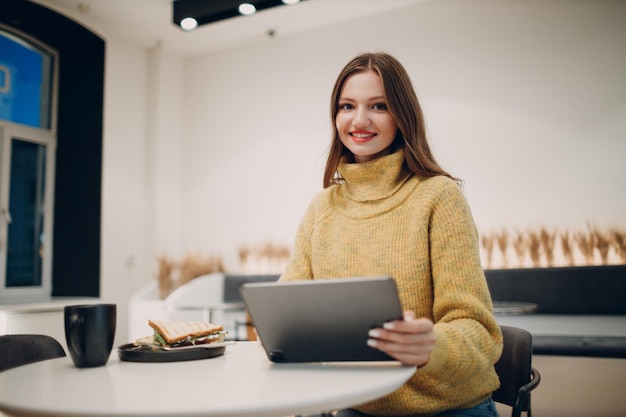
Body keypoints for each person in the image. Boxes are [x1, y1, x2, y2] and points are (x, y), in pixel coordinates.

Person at [279, 52, 503, 417]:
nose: (359, 120)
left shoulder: (439, 196)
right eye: (347, 105)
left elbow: (479, 332)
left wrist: (434, 344)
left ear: (402, 115)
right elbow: (288, 314)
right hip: (357, 405)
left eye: (379, 106)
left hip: (446, 408)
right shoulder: (322, 208)